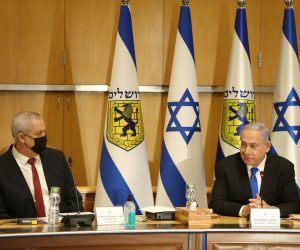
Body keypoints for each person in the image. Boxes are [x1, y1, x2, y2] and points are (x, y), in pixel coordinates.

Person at [0, 111, 84, 219]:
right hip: (22, 232)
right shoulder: (3, 167)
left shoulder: (56, 158)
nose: (44, 137)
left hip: (59, 228)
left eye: (44, 132)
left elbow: (75, 201)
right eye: (39, 134)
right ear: (21, 138)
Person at [209, 122, 300, 218]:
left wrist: (271, 210)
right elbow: (216, 203)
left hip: (272, 228)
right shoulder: (226, 166)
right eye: (243, 144)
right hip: (237, 228)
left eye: (253, 146)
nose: (246, 151)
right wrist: (243, 210)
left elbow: (293, 205)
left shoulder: (284, 167)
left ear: (267, 146)